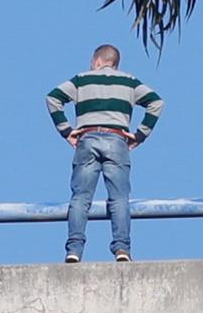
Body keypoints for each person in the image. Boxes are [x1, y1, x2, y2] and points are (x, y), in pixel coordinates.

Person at [45, 44, 164, 262]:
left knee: (80, 198)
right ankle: (122, 250)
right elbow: (156, 102)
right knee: (119, 198)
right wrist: (140, 134)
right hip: (117, 139)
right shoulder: (129, 81)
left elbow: (53, 98)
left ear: (96, 61)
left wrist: (66, 131)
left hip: (87, 138)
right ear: (115, 64)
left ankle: (74, 250)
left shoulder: (82, 79)